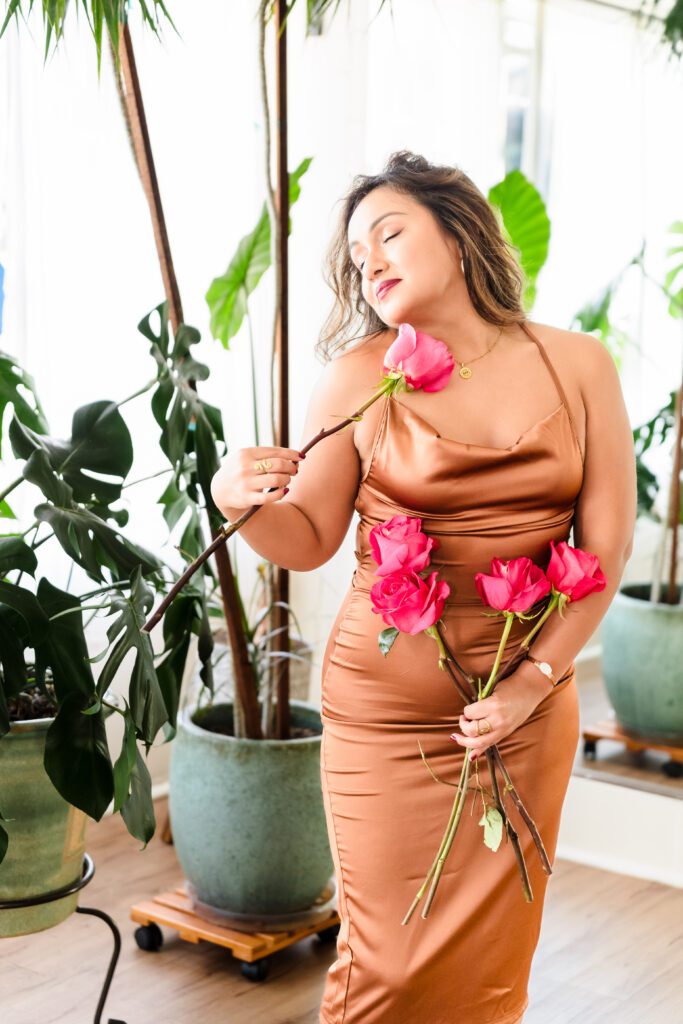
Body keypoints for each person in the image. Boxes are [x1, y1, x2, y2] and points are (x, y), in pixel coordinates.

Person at [210, 150, 637, 1024]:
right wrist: (233, 500)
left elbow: (603, 552)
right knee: (387, 968)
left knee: (488, 975)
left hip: (521, 716)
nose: (369, 259)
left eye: (390, 231)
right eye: (357, 252)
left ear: (459, 227)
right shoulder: (362, 376)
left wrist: (528, 685)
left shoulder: (578, 366)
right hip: (384, 719)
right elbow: (307, 537)